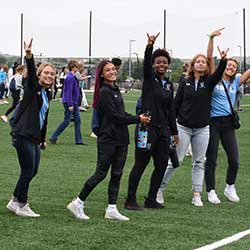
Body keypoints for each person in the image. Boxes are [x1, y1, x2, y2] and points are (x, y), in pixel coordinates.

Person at [67, 60, 150, 221]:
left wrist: (138, 118)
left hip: (121, 139)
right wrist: (137, 119)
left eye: (113, 69)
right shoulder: (104, 91)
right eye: (108, 70)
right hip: (108, 139)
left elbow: (121, 113)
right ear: (102, 74)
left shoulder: (115, 89)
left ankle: (111, 208)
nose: (112, 72)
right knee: (100, 173)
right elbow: (115, 117)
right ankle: (78, 203)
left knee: (117, 174)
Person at [158, 28, 228, 206]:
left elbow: (219, 73)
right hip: (183, 127)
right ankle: (159, 189)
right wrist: (171, 124)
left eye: (204, 62)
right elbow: (176, 104)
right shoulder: (185, 82)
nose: (201, 64)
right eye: (198, 62)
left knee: (199, 162)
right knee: (176, 161)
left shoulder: (209, 82)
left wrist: (223, 60)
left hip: (202, 129)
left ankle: (196, 194)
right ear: (193, 65)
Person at [124, 33, 178, 210]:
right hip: (146, 128)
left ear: (168, 65)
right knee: (140, 164)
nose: (161, 64)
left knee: (161, 164)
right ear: (154, 65)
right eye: (158, 62)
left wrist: (174, 131)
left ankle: (151, 199)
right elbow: (146, 64)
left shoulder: (169, 85)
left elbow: (171, 111)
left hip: (163, 131)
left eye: (164, 62)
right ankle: (130, 200)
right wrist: (149, 46)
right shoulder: (149, 79)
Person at [6, 38, 56, 217]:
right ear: (39, 74)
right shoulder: (32, 88)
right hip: (23, 134)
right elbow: (32, 74)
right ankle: (22, 205)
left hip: (34, 137)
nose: (49, 76)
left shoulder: (47, 93)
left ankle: (14, 200)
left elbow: (44, 118)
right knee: (28, 170)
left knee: (32, 170)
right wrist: (29, 56)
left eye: (52, 74)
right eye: (46, 73)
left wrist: (42, 140)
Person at [205, 31, 250, 205]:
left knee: (235, 159)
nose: (230, 67)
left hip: (228, 124)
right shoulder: (215, 78)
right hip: (213, 123)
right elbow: (209, 59)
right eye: (228, 64)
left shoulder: (236, 82)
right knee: (212, 159)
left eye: (233, 66)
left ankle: (230, 186)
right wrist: (211, 38)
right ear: (224, 65)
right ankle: (211, 191)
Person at [49, 60, 85, 145]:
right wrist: (70, 104)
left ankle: (78, 140)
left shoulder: (72, 77)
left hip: (74, 102)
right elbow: (68, 92)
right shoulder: (70, 78)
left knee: (77, 120)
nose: (78, 69)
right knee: (67, 121)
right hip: (70, 102)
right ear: (73, 67)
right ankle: (53, 137)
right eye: (76, 67)